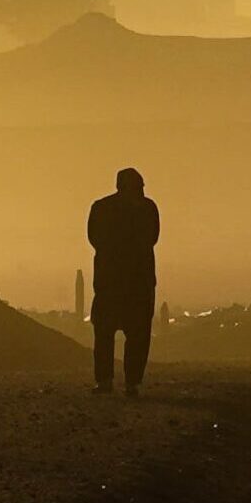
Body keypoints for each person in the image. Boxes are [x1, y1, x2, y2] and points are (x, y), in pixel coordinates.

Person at [87, 167, 160, 397]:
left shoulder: (101, 208)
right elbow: (152, 238)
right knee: (134, 335)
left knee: (106, 334)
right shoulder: (147, 209)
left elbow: (94, 238)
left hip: (112, 281)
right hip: (135, 282)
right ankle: (131, 383)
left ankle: (107, 381)